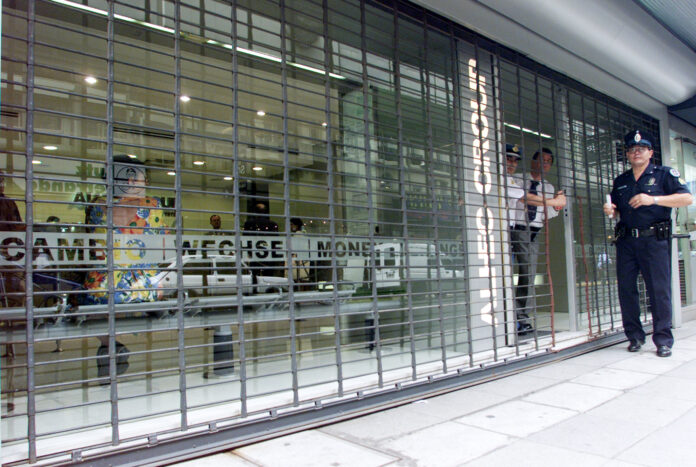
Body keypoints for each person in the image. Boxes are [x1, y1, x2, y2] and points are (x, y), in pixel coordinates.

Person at [604, 129, 692, 357]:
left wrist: (652, 198)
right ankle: (634, 336)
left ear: (650, 152)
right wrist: (611, 210)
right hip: (626, 241)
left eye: (641, 149)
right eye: (632, 150)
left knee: (658, 290)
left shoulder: (664, 174)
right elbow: (616, 209)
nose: (636, 153)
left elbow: (686, 198)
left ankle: (663, 340)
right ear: (627, 154)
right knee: (627, 290)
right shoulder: (621, 181)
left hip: (654, 241)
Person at [510, 147, 566, 334]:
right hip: (514, 229)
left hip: (533, 232)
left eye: (549, 161)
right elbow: (523, 199)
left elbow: (548, 213)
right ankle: (514, 316)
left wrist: (556, 207)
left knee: (528, 274)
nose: (544, 164)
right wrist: (550, 202)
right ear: (533, 161)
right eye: (541, 159)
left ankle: (521, 317)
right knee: (512, 273)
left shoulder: (549, 187)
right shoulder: (517, 179)